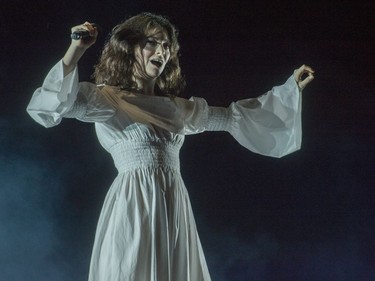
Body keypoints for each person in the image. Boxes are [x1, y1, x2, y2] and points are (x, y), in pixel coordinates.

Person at [27, 12, 314, 281]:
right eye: (151, 43)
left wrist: (290, 91)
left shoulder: (177, 109)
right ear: (129, 48)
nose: (161, 52)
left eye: (166, 46)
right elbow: (53, 105)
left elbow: (231, 117)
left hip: (173, 204)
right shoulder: (109, 100)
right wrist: (76, 50)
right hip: (134, 204)